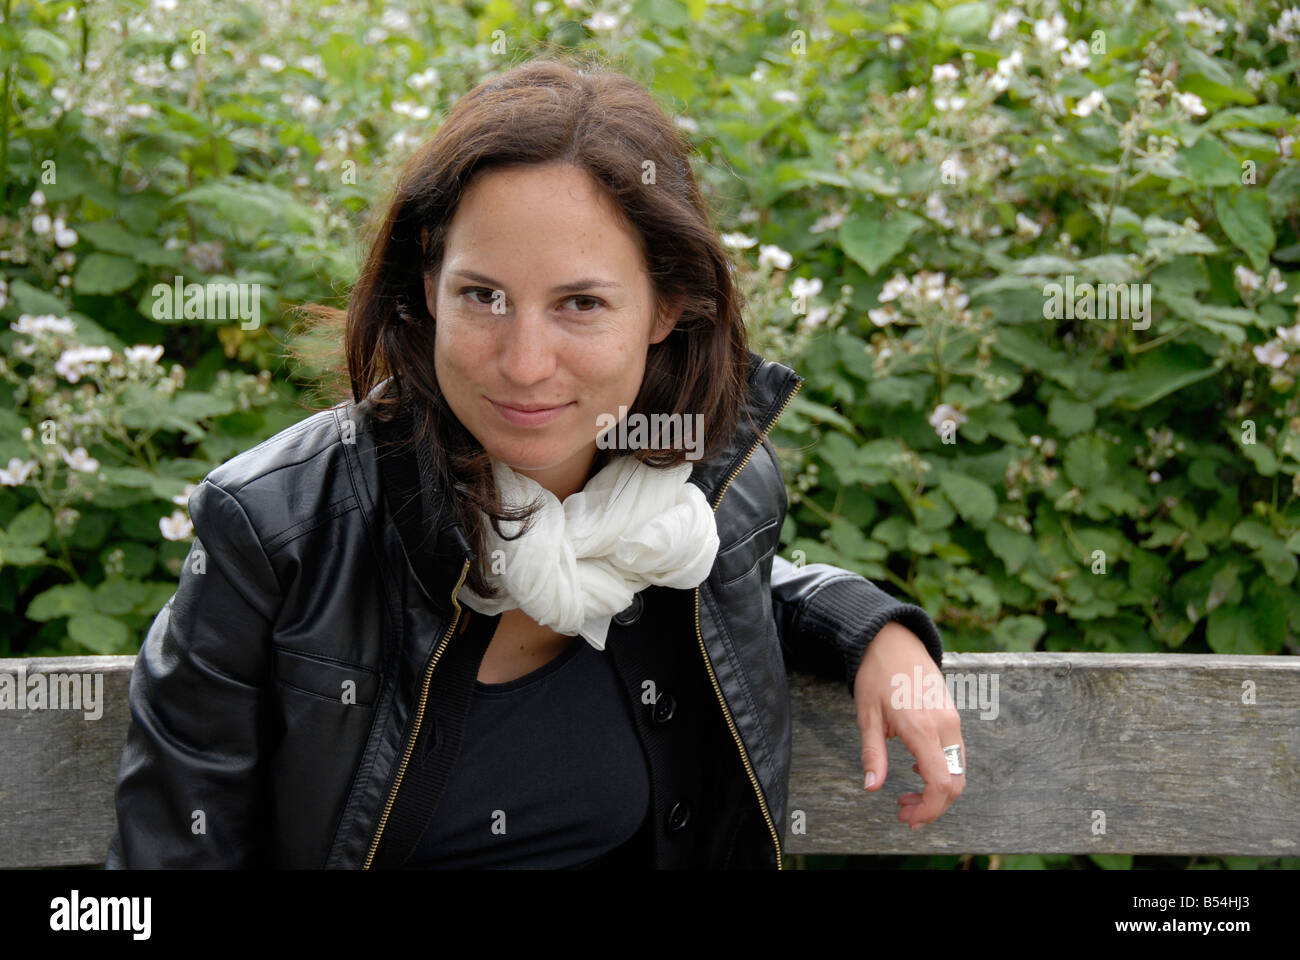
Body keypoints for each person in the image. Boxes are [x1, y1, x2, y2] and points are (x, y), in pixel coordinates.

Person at [106, 56, 965, 870]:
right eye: (484, 296)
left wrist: (872, 632)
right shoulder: (274, 533)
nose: (523, 363)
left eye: (580, 304)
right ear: (429, 281)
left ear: (666, 305)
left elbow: (739, 588)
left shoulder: (698, 504)